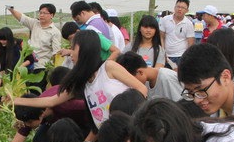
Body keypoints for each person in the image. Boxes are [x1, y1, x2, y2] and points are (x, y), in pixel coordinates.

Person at [12, 30, 147, 128]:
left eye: (73, 49)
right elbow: (51, 101)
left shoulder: (108, 68)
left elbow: (142, 89)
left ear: (84, 49)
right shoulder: (82, 82)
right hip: (109, 135)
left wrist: (129, 117)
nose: (70, 55)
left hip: (130, 129)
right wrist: (15, 100)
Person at [6, 3, 62, 67]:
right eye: (40, 13)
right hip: (30, 64)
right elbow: (22, 18)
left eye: (44, 13)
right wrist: (11, 10)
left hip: (43, 66)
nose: (41, 15)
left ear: (51, 15)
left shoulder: (55, 32)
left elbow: (56, 53)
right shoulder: (35, 24)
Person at [115, 51, 184, 102]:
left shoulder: (167, 78)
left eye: (132, 79)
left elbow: (182, 106)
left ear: (140, 72)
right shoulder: (146, 81)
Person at [159, 0, 195, 66]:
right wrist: (163, 51)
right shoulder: (165, 20)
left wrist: (186, 57)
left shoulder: (188, 24)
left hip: (180, 56)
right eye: (178, 6)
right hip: (166, 55)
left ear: (187, 10)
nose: (179, 9)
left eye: (183, 8)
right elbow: (161, 36)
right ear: (174, 8)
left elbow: (191, 42)